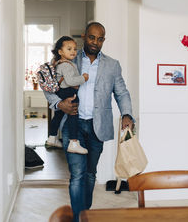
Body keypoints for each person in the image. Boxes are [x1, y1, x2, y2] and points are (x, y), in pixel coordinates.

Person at [44, 22, 134, 221]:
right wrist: (60, 105)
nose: (95, 42)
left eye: (100, 39)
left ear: (103, 40)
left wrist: (127, 114)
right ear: (84, 36)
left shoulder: (112, 65)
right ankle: (79, 218)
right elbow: (48, 87)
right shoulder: (68, 58)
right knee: (77, 174)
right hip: (72, 125)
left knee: (90, 174)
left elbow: (122, 92)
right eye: (92, 37)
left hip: (97, 126)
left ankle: (84, 214)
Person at [46, 36, 89, 154]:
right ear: (60, 52)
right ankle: (73, 142)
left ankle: (52, 137)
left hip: (61, 92)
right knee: (73, 114)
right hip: (68, 93)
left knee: (58, 115)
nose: (73, 52)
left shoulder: (58, 63)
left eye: (75, 49)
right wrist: (83, 78)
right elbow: (70, 81)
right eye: (69, 49)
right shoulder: (66, 65)